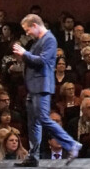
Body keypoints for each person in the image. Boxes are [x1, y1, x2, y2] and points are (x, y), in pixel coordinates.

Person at [13, 14, 81, 166]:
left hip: (42, 86)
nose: (27, 33)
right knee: (33, 123)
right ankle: (34, 156)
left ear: (35, 25)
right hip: (33, 87)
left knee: (43, 118)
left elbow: (42, 62)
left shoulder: (49, 39)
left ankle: (71, 145)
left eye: (27, 29)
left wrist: (24, 53)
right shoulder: (39, 41)